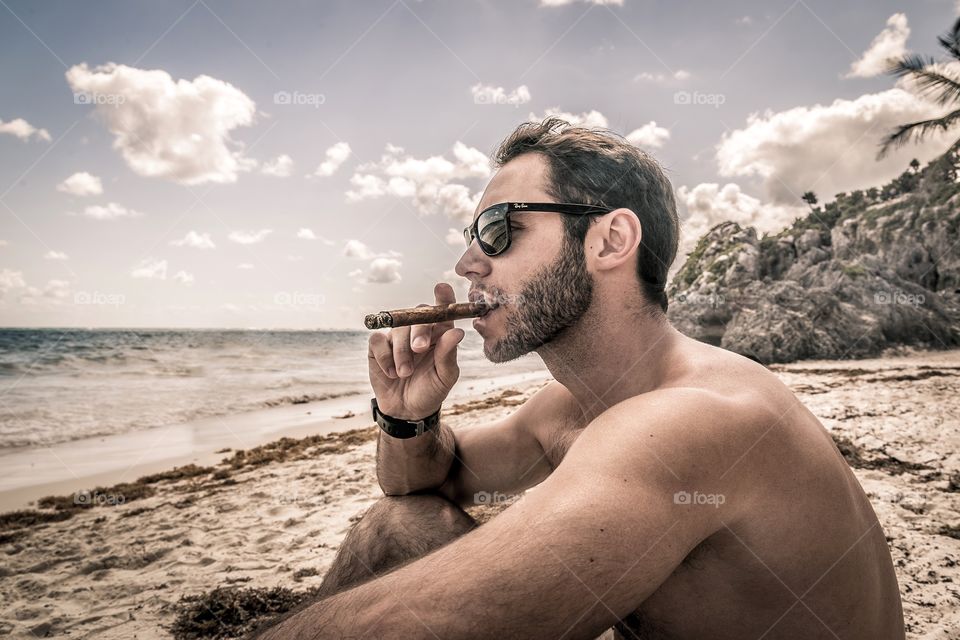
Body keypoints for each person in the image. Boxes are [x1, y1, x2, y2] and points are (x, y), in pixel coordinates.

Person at [254, 118, 905, 639]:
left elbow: (416, 623)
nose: (467, 262)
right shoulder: (569, 409)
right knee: (397, 528)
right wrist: (407, 416)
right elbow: (422, 481)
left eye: (498, 229)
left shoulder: (699, 416)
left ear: (610, 240)